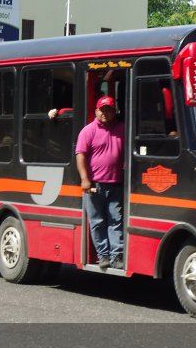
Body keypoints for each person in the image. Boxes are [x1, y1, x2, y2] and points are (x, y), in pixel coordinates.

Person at [75, 96, 125, 270]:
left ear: (114, 111)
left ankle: (116, 256)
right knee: (97, 221)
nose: (105, 113)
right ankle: (103, 255)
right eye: (102, 110)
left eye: (109, 110)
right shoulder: (88, 131)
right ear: (96, 111)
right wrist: (84, 179)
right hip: (94, 185)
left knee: (116, 221)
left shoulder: (122, 129)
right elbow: (80, 155)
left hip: (116, 184)